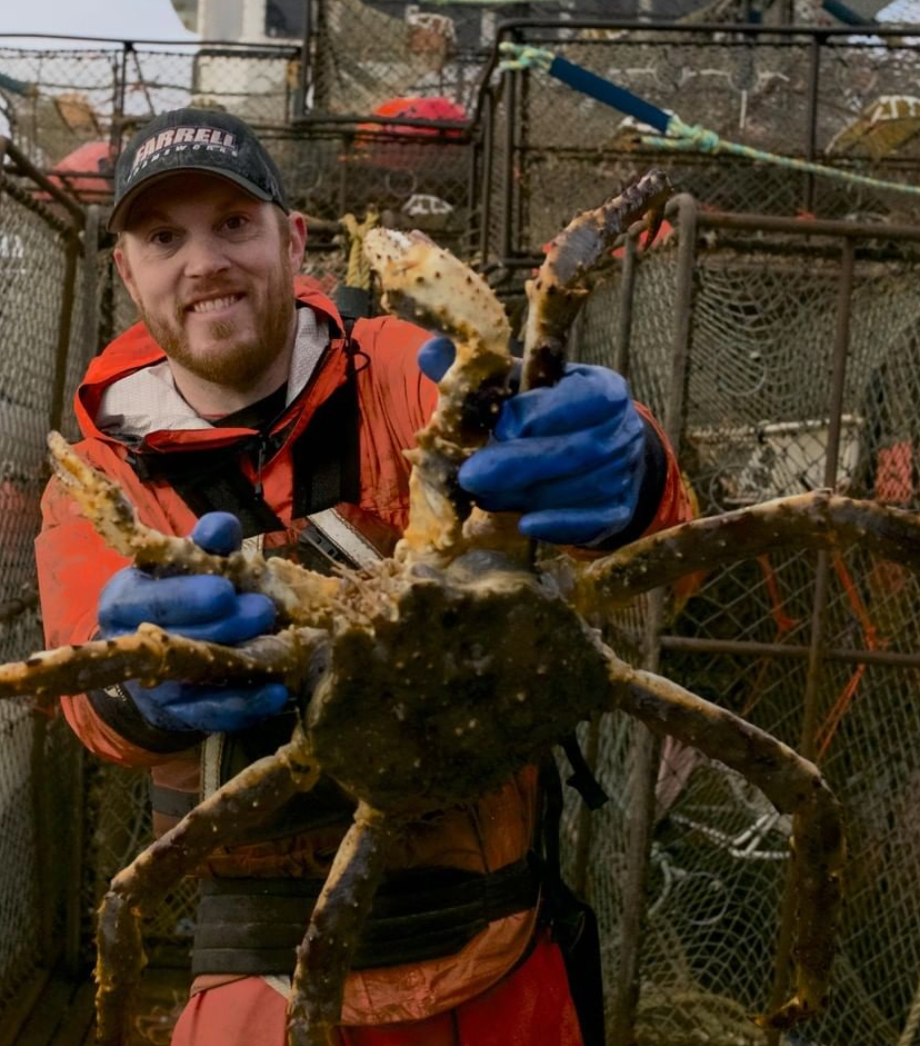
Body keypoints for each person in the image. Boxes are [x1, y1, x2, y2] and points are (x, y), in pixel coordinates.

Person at [35, 108, 693, 1046]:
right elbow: (79, 693)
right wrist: (136, 682)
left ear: (291, 239)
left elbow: (658, 551)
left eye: (233, 223)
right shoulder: (101, 474)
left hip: (506, 946)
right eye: (164, 236)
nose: (204, 261)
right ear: (127, 269)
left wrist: (632, 479)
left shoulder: (407, 368)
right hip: (262, 972)